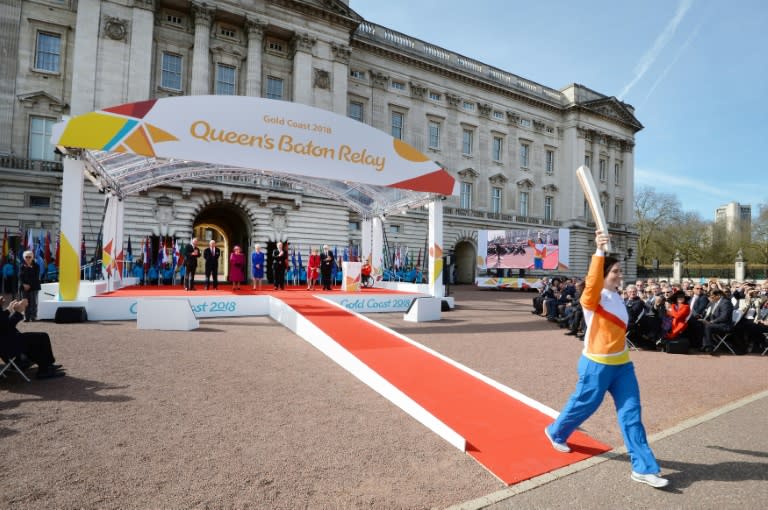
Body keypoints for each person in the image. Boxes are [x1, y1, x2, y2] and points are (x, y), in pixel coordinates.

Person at [544, 230, 669, 489]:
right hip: (597, 364)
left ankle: (644, 468)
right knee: (584, 406)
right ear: (603, 274)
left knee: (631, 414)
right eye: (615, 272)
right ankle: (556, 431)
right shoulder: (594, 298)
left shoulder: (618, 297)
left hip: (622, 365)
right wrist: (599, 251)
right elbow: (591, 285)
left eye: (620, 271)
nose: (620, 275)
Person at [0, 297, 64, 379]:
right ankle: (44, 370)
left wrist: (10, 310)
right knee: (41, 337)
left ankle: (47, 365)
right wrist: (17, 311)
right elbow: (5, 326)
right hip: (6, 345)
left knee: (38, 337)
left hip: (6, 341)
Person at [19, 250, 41, 322]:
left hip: (34, 286)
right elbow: (20, 276)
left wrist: (29, 285)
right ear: (24, 258)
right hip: (24, 287)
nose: (28, 258)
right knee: (25, 302)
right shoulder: (21, 266)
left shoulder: (36, 266)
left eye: (29, 257)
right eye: (26, 257)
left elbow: (36, 277)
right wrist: (24, 284)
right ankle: (26, 317)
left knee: (33, 302)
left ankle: (33, 316)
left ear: (32, 257)